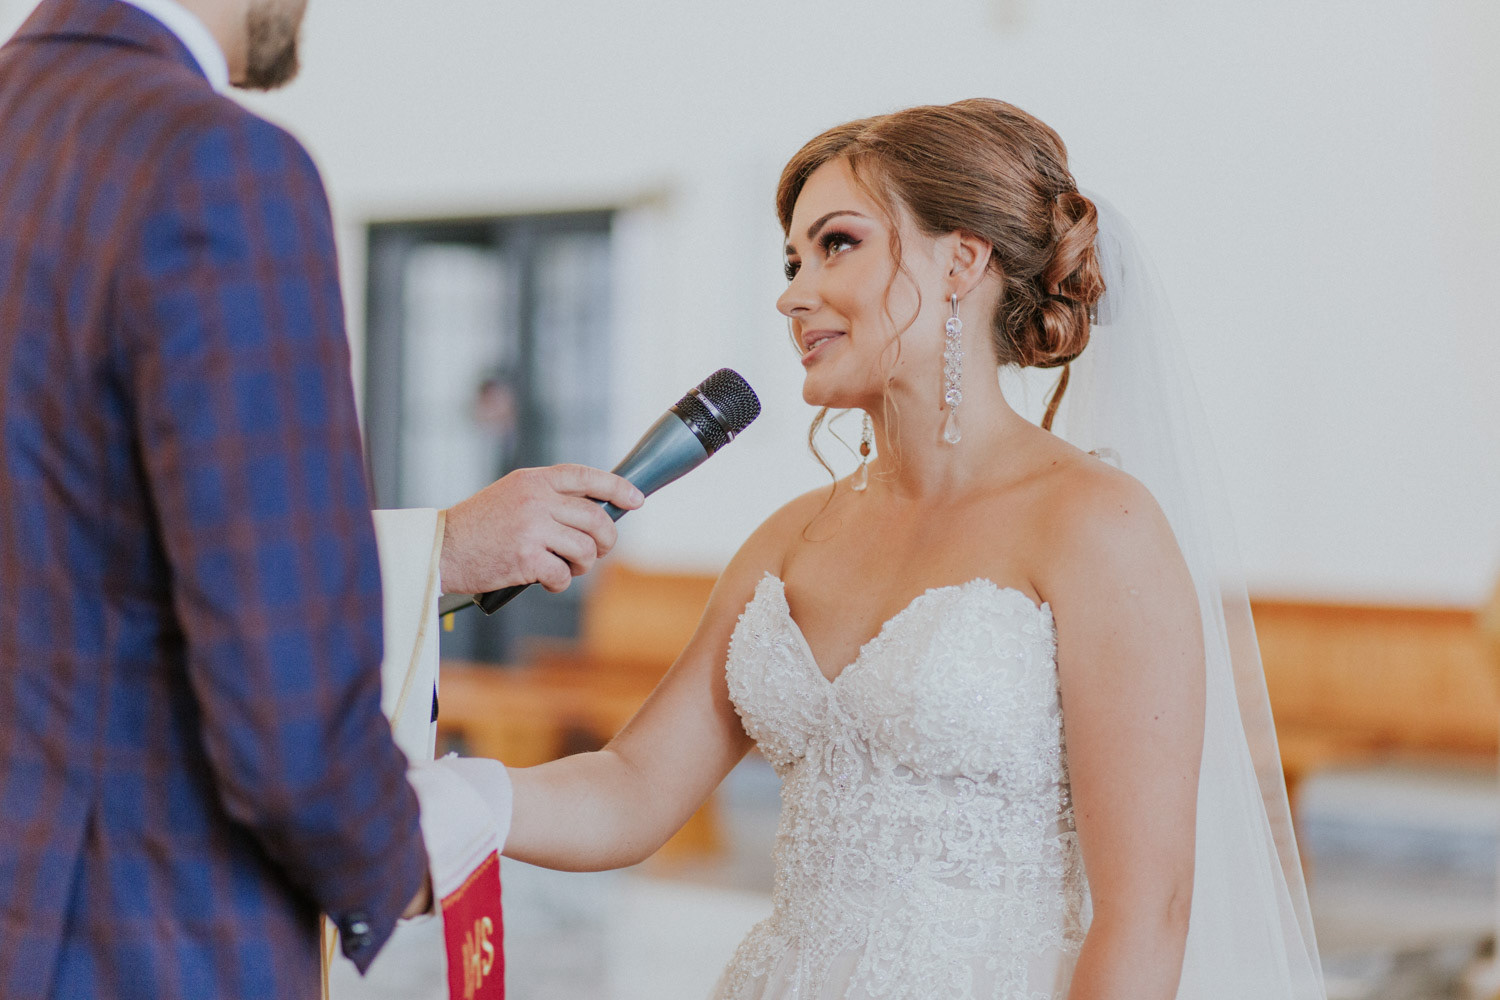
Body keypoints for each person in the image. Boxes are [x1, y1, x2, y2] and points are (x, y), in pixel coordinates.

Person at [497, 100, 1326, 999]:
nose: (792, 294)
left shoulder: (1097, 524)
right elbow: (630, 791)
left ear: (962, 262)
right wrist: (447, 798)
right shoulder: (787, 539)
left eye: (837, 244)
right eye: (793, 260)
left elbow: (1148, 910)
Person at [0, 1, 640, 998]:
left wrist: (445, 547)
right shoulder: (212, 162)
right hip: (134, 927)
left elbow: (63, 542)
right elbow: (276, 662)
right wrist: (395, 849)